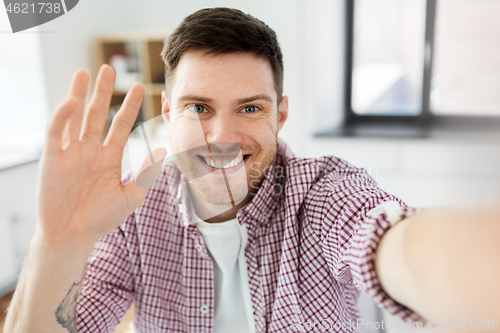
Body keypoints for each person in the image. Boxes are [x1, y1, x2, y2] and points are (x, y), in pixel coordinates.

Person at [4, 7, 500, 333]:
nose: (222, 135)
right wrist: (59, 242)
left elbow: (396, 248)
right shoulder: (131, 210)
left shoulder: (324, 193)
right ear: (168, 110)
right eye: (199, 107)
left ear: (280, 114)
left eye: (249, 109)